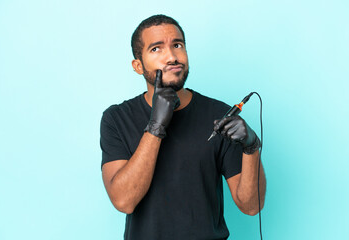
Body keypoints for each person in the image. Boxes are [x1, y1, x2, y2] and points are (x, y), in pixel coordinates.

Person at [100, 14, 266, 240]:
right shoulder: (117, 118)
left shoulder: (220, 115)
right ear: (138, 66)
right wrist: (156, 125)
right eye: (156, 49)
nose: (171, 56)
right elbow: (124, 201)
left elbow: (251, 206)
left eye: (177, 45)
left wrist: (251, 147)